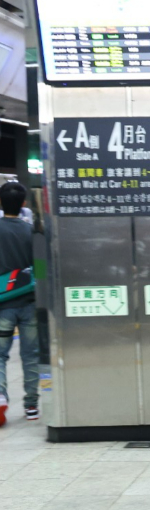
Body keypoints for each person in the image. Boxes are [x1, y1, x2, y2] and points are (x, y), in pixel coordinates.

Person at [0, 182, 39, 426]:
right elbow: (42, 269)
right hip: (29, 302)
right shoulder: (31, 232)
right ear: (23, 204)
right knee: (30, 355)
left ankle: (1, 398)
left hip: (2, 305)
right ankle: (32, 405)